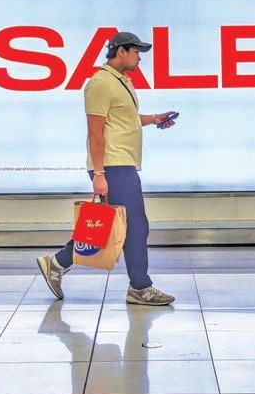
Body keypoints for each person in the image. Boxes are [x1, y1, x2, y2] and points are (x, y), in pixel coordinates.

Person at [37, 32, 176, 306]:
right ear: (121, 51)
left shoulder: (121, 82)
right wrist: (99, 174)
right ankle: (140, 287)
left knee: (110, 226)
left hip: (121, 164)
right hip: (112, 165)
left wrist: (154, 119)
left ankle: (57, 263)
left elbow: (125, 119)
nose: (139, 58)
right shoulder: (100, 83)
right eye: (136, 52)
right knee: (135, 226)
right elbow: (95, 131)